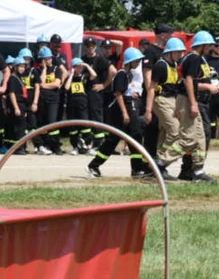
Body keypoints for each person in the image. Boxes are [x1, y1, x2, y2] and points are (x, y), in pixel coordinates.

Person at [87, 48, 149, 179]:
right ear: (129, 61)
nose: (138, 63)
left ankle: (137, 169)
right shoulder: (121, 73)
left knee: (135, 136)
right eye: (136, 61)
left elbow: (124, 90)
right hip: (122, 109)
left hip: (127, 106)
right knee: (114, 139)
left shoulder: (127, 74)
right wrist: (125, 113)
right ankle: (94, 166)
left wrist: (133, 93)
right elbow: (118, 94)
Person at [177, 31, 217, 181]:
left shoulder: (195, 58)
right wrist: (194, 103)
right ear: (203, 45)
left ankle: (192, 170)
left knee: (199, 136)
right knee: (198, 136)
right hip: (195, 101)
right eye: (210, 45)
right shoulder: (194, 58)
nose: (211, 48)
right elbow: (188, 81)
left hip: (197, 101)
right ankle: (163, 163)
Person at [151, 37, 187, 178]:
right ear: (169, 52)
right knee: (175, 131)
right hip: (161, 99)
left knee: (164, 133)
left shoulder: (175, 64)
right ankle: (161, 161)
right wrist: (148, 110)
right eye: (177, 52)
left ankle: (158, 166)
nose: (180, 55)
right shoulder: (160, 65)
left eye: (181, 52)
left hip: (173, 99)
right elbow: (151, 88)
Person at [142, 25, 173, 161]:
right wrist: (151, 97)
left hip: (164, 97)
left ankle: (157, 161)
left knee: (162, 131)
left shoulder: (165, 51)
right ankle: (148, 164)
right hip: (153, 95)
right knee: (152, 130)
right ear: (162, 35)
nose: (170, 37)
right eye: (169, 34)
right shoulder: (150, 51)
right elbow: (147, 76)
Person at [35, 46, 66, 155]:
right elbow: (40, 83)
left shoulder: (56, 69)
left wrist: (44, 86)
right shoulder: (38, 70)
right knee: (43, 123)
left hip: (53, 100)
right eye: (45, 59)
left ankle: (55, 145)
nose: (48, 60)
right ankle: (44, 145)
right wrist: (44, 69)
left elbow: (56, 84)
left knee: (52, 122)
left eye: (49, 58)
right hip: (42, 100)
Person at [65, 57, 97, 153]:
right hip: (72, 105)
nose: (79, 69)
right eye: (77, 67)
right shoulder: (69, 78)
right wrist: (71, 74)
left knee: (85, 126)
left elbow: (94, 75)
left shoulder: (84, 76)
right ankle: (75, 147)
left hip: (82, 104)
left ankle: (87, 146)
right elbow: (67, 87)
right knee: (73, 128)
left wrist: (86, 65)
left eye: (80, 67)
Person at [3, 56, 27, 151]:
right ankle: (19, 148)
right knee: (19, 128)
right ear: (15, 67)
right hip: (17, 105)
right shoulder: (13, 78)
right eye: (20, 66)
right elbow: (11, 93)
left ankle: (21, 147)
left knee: (22, 127)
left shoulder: (19, 78)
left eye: (23, 66)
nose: (22, 68)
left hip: (22, 105)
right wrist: (16, 108)